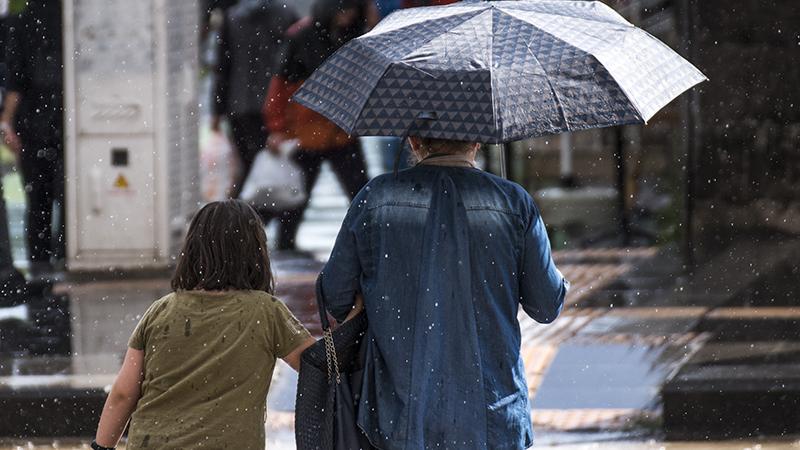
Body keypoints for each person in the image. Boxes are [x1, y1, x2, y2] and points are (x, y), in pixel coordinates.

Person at [319, 137, 570, 449]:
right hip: (492, 414)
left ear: (413, 141)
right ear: (477, 141)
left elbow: (335, 295)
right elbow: (546, 306)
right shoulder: (512, 202)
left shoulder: (377, 197)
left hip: (397, 414)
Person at [90, 200, 316, 449]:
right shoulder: (266, 311)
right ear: (256, 253)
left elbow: (123, 394)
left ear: (193, 251)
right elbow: (317, 365)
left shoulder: (161, 311)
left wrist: (102, 447)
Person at [264, 0, 370, 252]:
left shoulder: (352, 36)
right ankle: (286, 245)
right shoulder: (302, 38)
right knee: (296, 197)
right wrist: (277, 126)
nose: (347, 16)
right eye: (343, 10)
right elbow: (280, 86)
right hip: (309, 134)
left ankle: (369, 241)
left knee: (359, 193)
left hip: (338, 132)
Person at [0, 0, 65, 279]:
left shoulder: (24, 21)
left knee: (36, 199)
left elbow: (16, 81)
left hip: (33, 124)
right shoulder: (71, 19)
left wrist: (7, 122)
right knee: (67, 197)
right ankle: (64, 258)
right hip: (65, 121)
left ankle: (40, 268)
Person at [212, 0, 298, 199]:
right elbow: (294, 61)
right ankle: (268, 216)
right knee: (276, 164)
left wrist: (217, 110)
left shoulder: (232, 16)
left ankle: (239, 218)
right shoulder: (285, 13)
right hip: (275, 104)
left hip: (239, 105)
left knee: (247, 166)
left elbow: (223, 67)